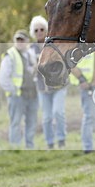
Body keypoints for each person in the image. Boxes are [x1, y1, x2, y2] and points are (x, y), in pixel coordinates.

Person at [29, 16, 67, 149]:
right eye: (36, 30)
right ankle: (50, 143)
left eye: (42, 29)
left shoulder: (52, 45)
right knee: (46, 117)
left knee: (58, 113)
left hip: (58, 86)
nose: (39, 32)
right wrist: (36, 66)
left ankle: (61, 140)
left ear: (46, 30)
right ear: (33, 33)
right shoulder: (31, 49)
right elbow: (30, 70)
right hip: (42, 88)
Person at [0, 30, 39, 149]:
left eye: (22, 40)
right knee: (15, 122)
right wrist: (13, 92)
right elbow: (3, 77)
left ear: (27, 41)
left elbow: (31, 71)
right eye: (18, 40)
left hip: (32, 94)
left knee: (31, 122)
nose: (20, 42)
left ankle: (30, 147)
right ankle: (15, 148)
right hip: (17, 95)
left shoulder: (30, 53)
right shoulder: (10, 55)